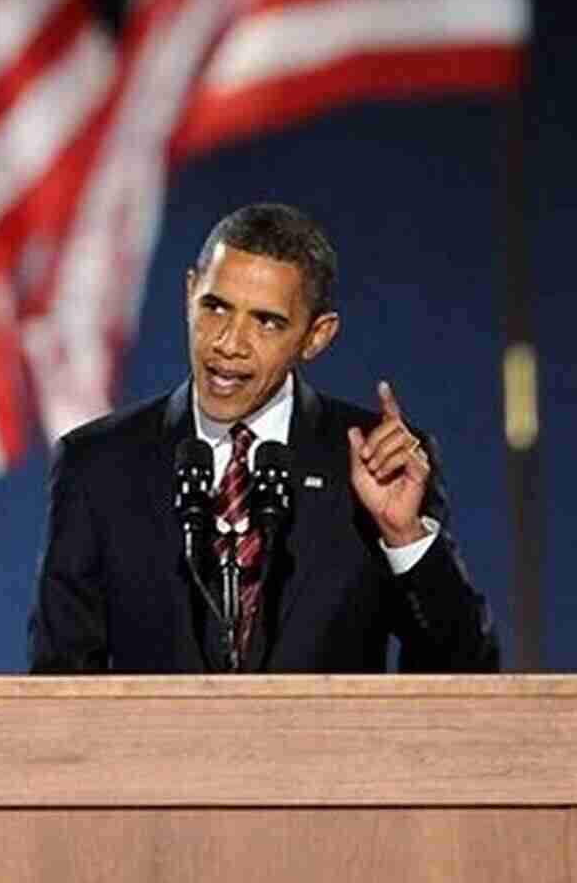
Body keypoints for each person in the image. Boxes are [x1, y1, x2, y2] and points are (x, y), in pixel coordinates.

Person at [28, 203, 499, 673]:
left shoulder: (378, 462)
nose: (229, 343)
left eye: (266, 322)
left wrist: (405, 537)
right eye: (215, 307)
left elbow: (465, 673)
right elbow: (59, 685)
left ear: (316, 336)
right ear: (190, 293)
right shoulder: (96, 465)